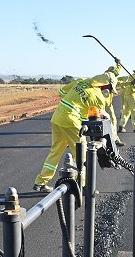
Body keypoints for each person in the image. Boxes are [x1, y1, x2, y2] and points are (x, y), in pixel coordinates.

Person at [33, 63, 121, 193]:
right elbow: (99, 116)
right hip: (71, 122)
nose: (107, 90)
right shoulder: (98, 97)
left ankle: (40, 183)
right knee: (82, 155)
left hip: (58, 117)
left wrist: (77, 101)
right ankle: (84, 186)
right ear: (104, 85)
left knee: (55, 152)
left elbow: (62, 92)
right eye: (108, 87)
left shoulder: (81, 81)